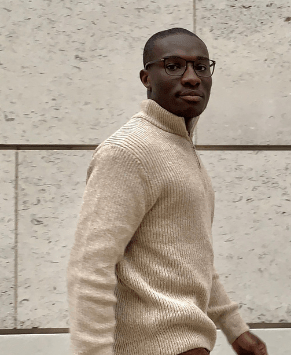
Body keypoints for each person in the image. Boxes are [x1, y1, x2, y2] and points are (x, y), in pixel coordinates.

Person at [66, 28, 269, 355]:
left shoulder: (179, 149)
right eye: (174, 66)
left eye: (201, 67)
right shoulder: (129, 151)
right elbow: (90, 268)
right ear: (147, 78)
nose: (191, 77)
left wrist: (235, 328)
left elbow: (190, 257)